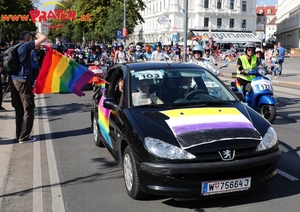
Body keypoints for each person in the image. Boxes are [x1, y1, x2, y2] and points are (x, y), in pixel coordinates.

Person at [10, 31, 47, 143]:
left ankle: (19, 134)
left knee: (19, 109)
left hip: (14, 79)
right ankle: (24, 136)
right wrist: (36, 32)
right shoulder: (26, 45)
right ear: (29, 38)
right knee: (29, 107)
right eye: (32, 38)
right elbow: (44, 37)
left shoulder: (15, 46)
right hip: (23, 80)